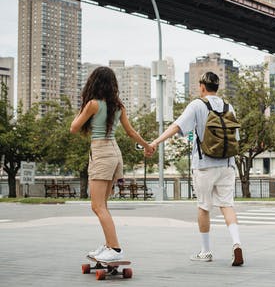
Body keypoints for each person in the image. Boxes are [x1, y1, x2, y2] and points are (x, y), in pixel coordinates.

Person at [148, 71, 244, 266]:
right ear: (217, 87)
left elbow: (176, 126)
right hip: (227, 164)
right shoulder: (228, 106)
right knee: (227, 205)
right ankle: (236, 243)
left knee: (203, 207)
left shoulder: (197, 105)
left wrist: (155, 142)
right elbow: (237, 139)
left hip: (204, 166)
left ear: (202, 86)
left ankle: (206, 251)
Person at [70, 66, 153, 262]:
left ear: (94, 83)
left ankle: (115, 249)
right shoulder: (118, 106)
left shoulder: (93, 104)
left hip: (101, 153)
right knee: (103, 205)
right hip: (115, 152)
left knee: (97, 206)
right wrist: (147, 146)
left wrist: (83, 108)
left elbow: (73, 127)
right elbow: (131, 132)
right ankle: (108, 245)